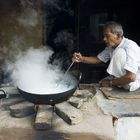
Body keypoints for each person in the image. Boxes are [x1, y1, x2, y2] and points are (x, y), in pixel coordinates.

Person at [73, 21, 140, 91]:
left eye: (107, 36)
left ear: (118, 36)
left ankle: (120, 83)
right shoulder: (111, 47)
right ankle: (118, 82)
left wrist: (110, 83)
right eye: (104, 36)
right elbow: (98, 59)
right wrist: (81, 59)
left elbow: (131, 77)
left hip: (132, 83)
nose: (104, 39)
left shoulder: (130, 46)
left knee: (119, 52)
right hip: (123, 79)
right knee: (102, 83)